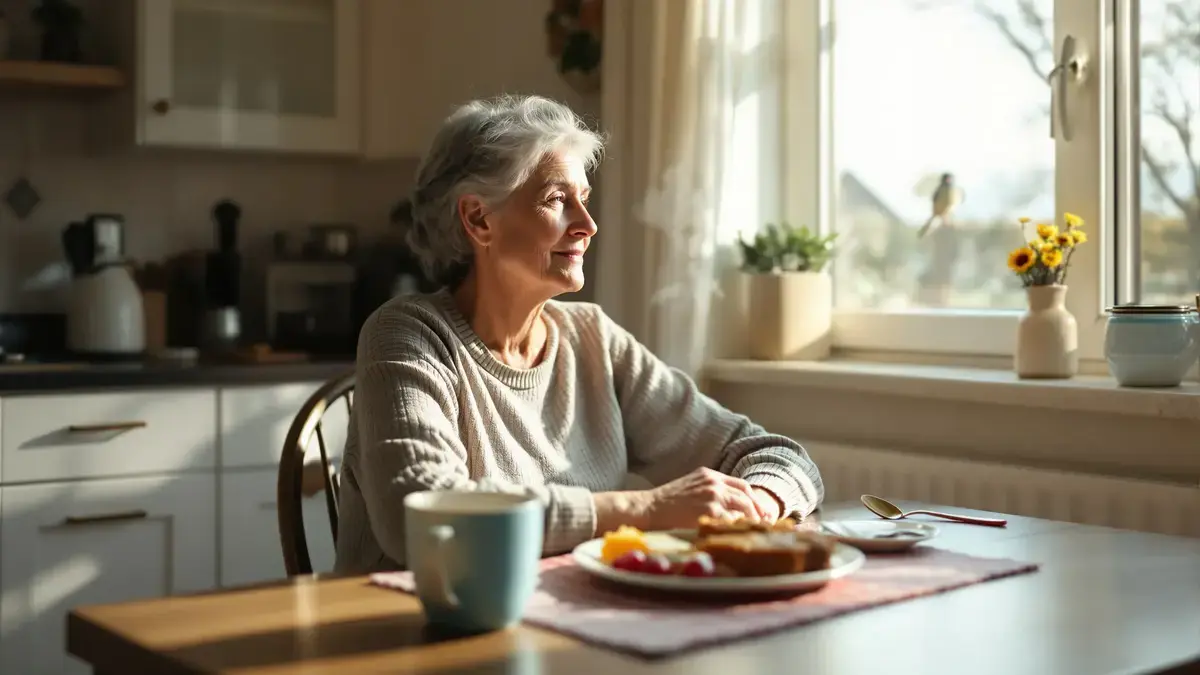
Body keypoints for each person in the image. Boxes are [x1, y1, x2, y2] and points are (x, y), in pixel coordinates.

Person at [334, 95, 824, 573]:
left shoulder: (592, 339)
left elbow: (778, 456)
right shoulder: (407, 335)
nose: (587, 225)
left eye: (584, 201)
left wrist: (754, 503)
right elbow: (420, 514)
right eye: (556, 199)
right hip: (407, 617)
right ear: (479, 219)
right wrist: (646, 510)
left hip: (566, 612)